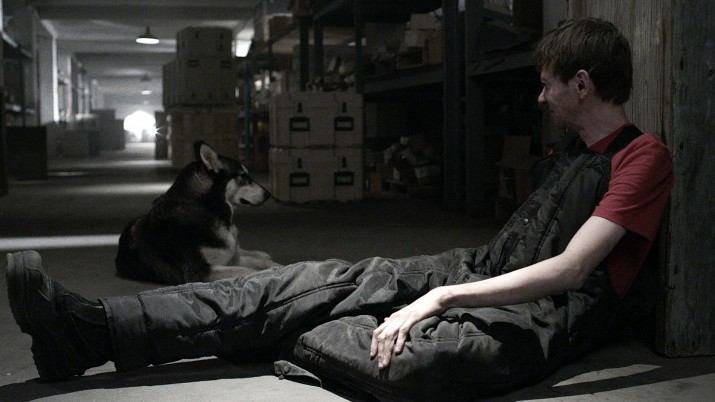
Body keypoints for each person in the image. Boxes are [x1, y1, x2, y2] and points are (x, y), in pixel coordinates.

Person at [6, 18, 673, 400]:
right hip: (479, 267)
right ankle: (90, 329)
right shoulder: (570, 149)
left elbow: (569, 271)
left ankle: (283, 334)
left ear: (581, 84)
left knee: (404, 364)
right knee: (299, 285)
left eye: (547, 86)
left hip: (546, 313)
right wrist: (435, 288)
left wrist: (437, 301)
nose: (539, 98)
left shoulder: (641, 157)